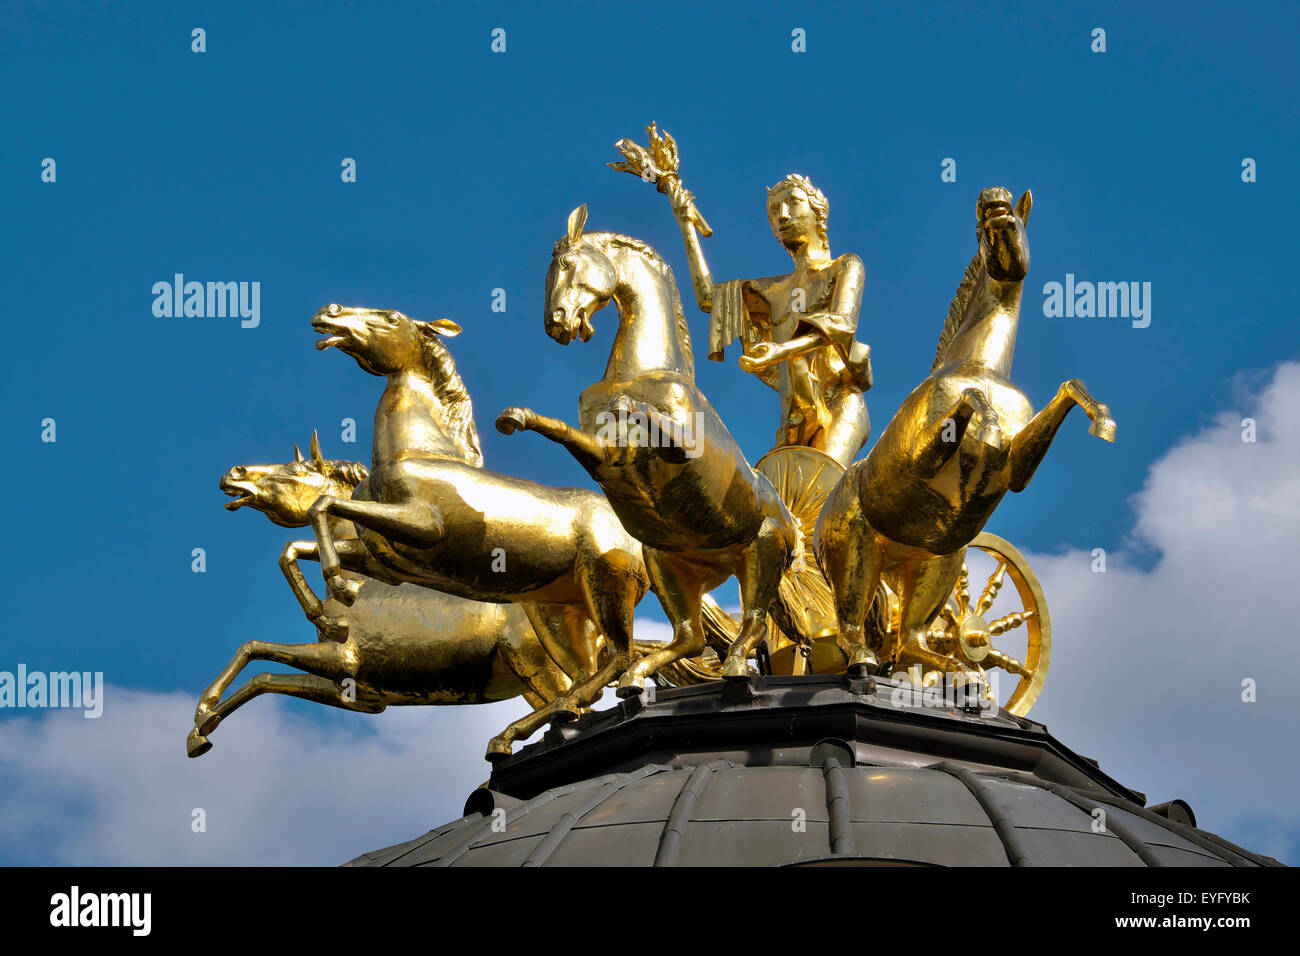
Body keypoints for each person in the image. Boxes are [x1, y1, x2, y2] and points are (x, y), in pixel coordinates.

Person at [664, 172, 872, 467]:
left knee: (818, 491)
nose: (782, 216)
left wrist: (780, 350)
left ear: (818, 213)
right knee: (779, 508)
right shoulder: (773, 290)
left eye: (793, 203)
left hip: (839, 405)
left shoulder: (845, 267)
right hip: (793, 418)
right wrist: (685, 223)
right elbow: (710, 299)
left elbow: (840, 326)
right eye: (774, 211)